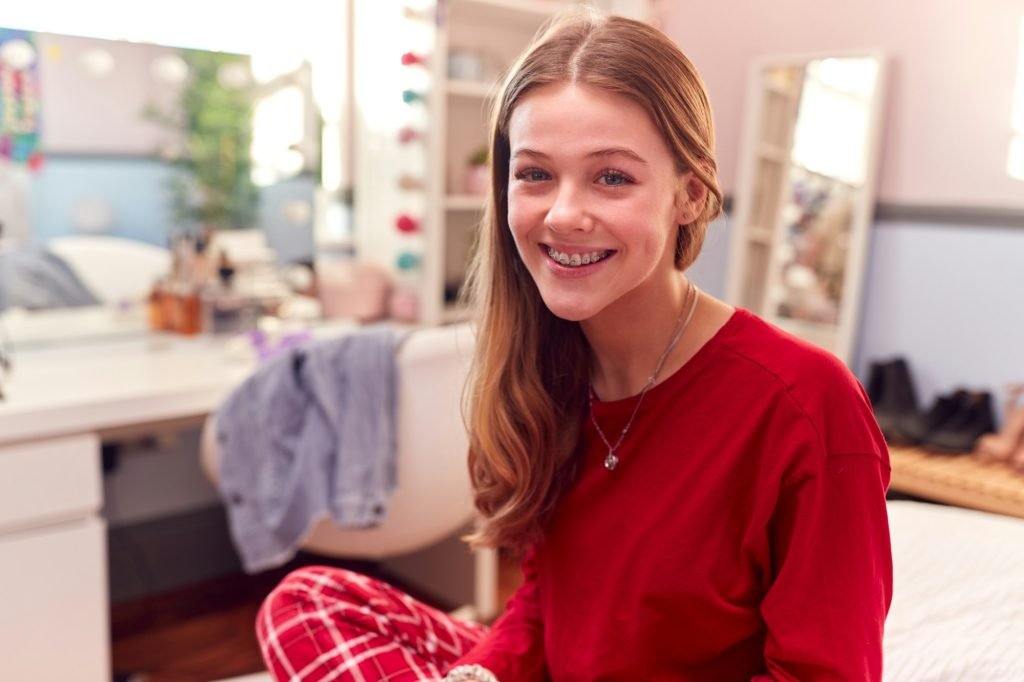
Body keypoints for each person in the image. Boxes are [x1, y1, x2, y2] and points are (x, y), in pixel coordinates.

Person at [255, 8, 892, 681]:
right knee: (305, 603)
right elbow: (548, 605)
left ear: (689, 194)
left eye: (612, 177)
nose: (563, 215)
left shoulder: (806, 403)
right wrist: (483, 674)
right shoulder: (549, 370)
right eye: (535, 174)